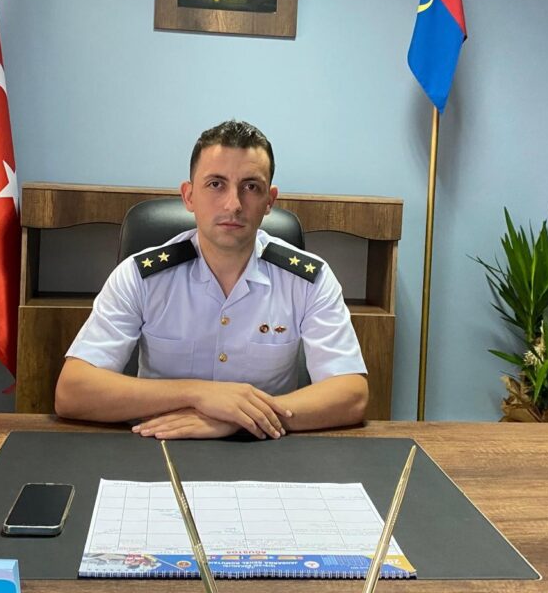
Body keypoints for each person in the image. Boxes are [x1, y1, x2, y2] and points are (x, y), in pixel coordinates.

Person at [55, 120, 368, 440]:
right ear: (189, 196)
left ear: (269, 201)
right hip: (159, 445)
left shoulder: (308, 279)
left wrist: (240, 419)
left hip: (263, 449)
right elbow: (72, 391)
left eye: (251, 187)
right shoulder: (141, 276)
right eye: (216, 184)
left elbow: (351, 393)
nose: (233, 204)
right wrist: (198, 394)